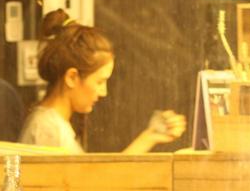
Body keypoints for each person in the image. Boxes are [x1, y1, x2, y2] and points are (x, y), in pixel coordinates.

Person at [19, 9, 186, 153]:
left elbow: (97, 175)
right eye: (99, 82)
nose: (104, 92)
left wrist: (151, 136)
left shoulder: (53, 124)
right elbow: (97, 179)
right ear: (72, 77)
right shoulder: (47, 129)